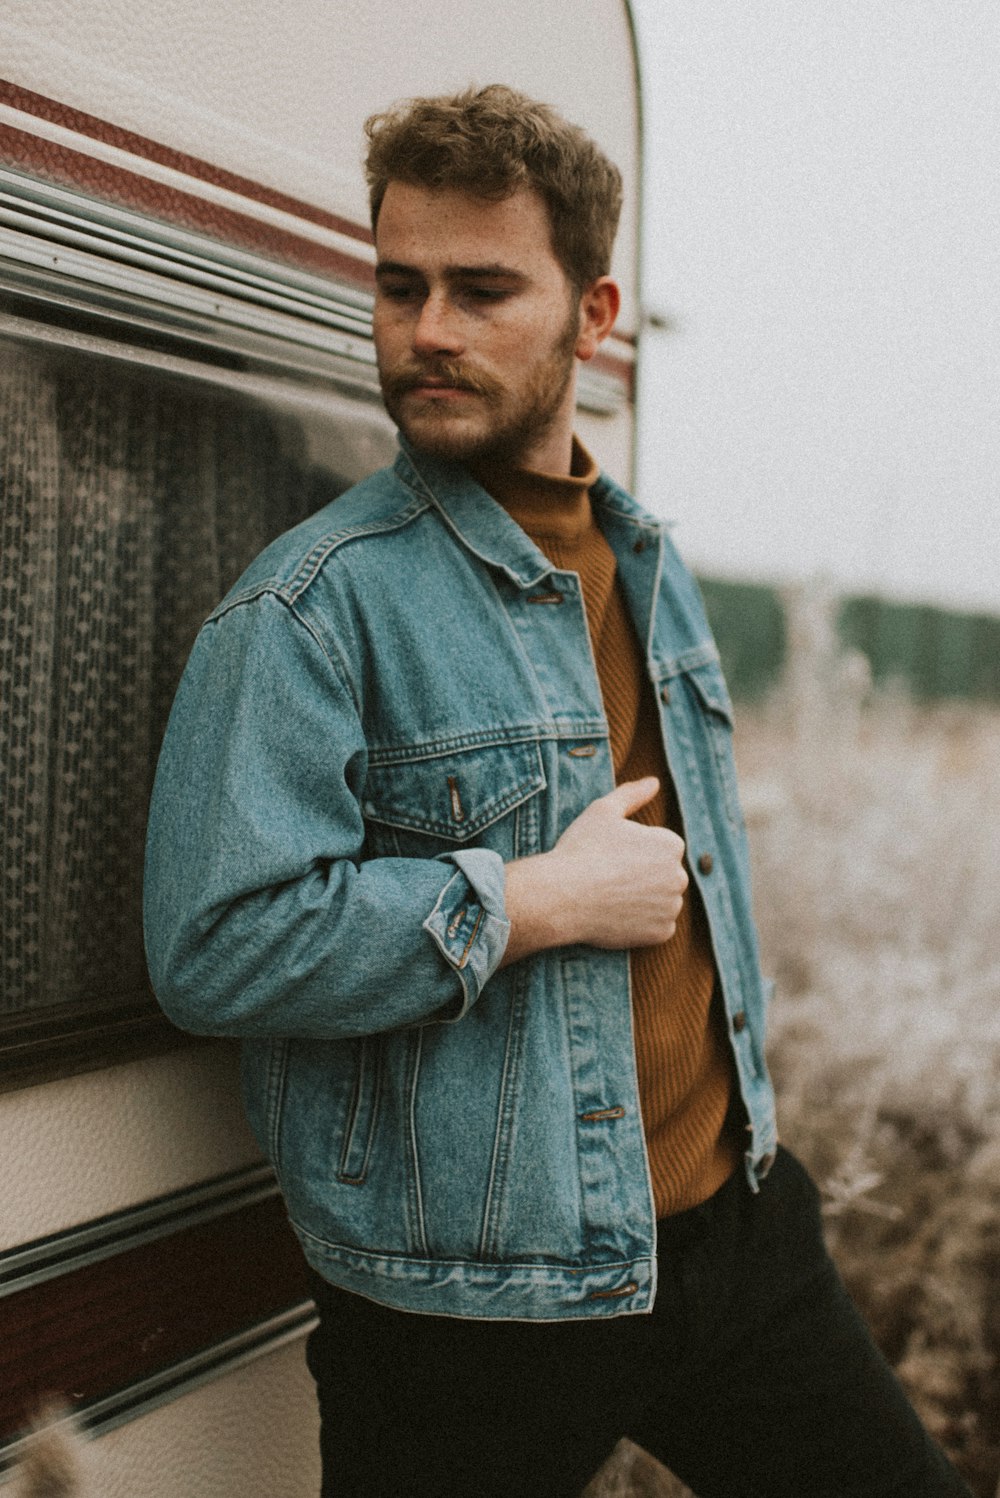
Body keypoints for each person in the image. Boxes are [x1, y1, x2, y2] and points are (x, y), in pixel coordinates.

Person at [144, 86, 972, 1498]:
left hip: (736, 1238)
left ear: (594, 317)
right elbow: (213, 945)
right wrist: (527, 900)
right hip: (472, 1311)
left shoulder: (651, 561)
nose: (429, 332)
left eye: (483, 289)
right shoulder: (307, 612)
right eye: (401, 286)